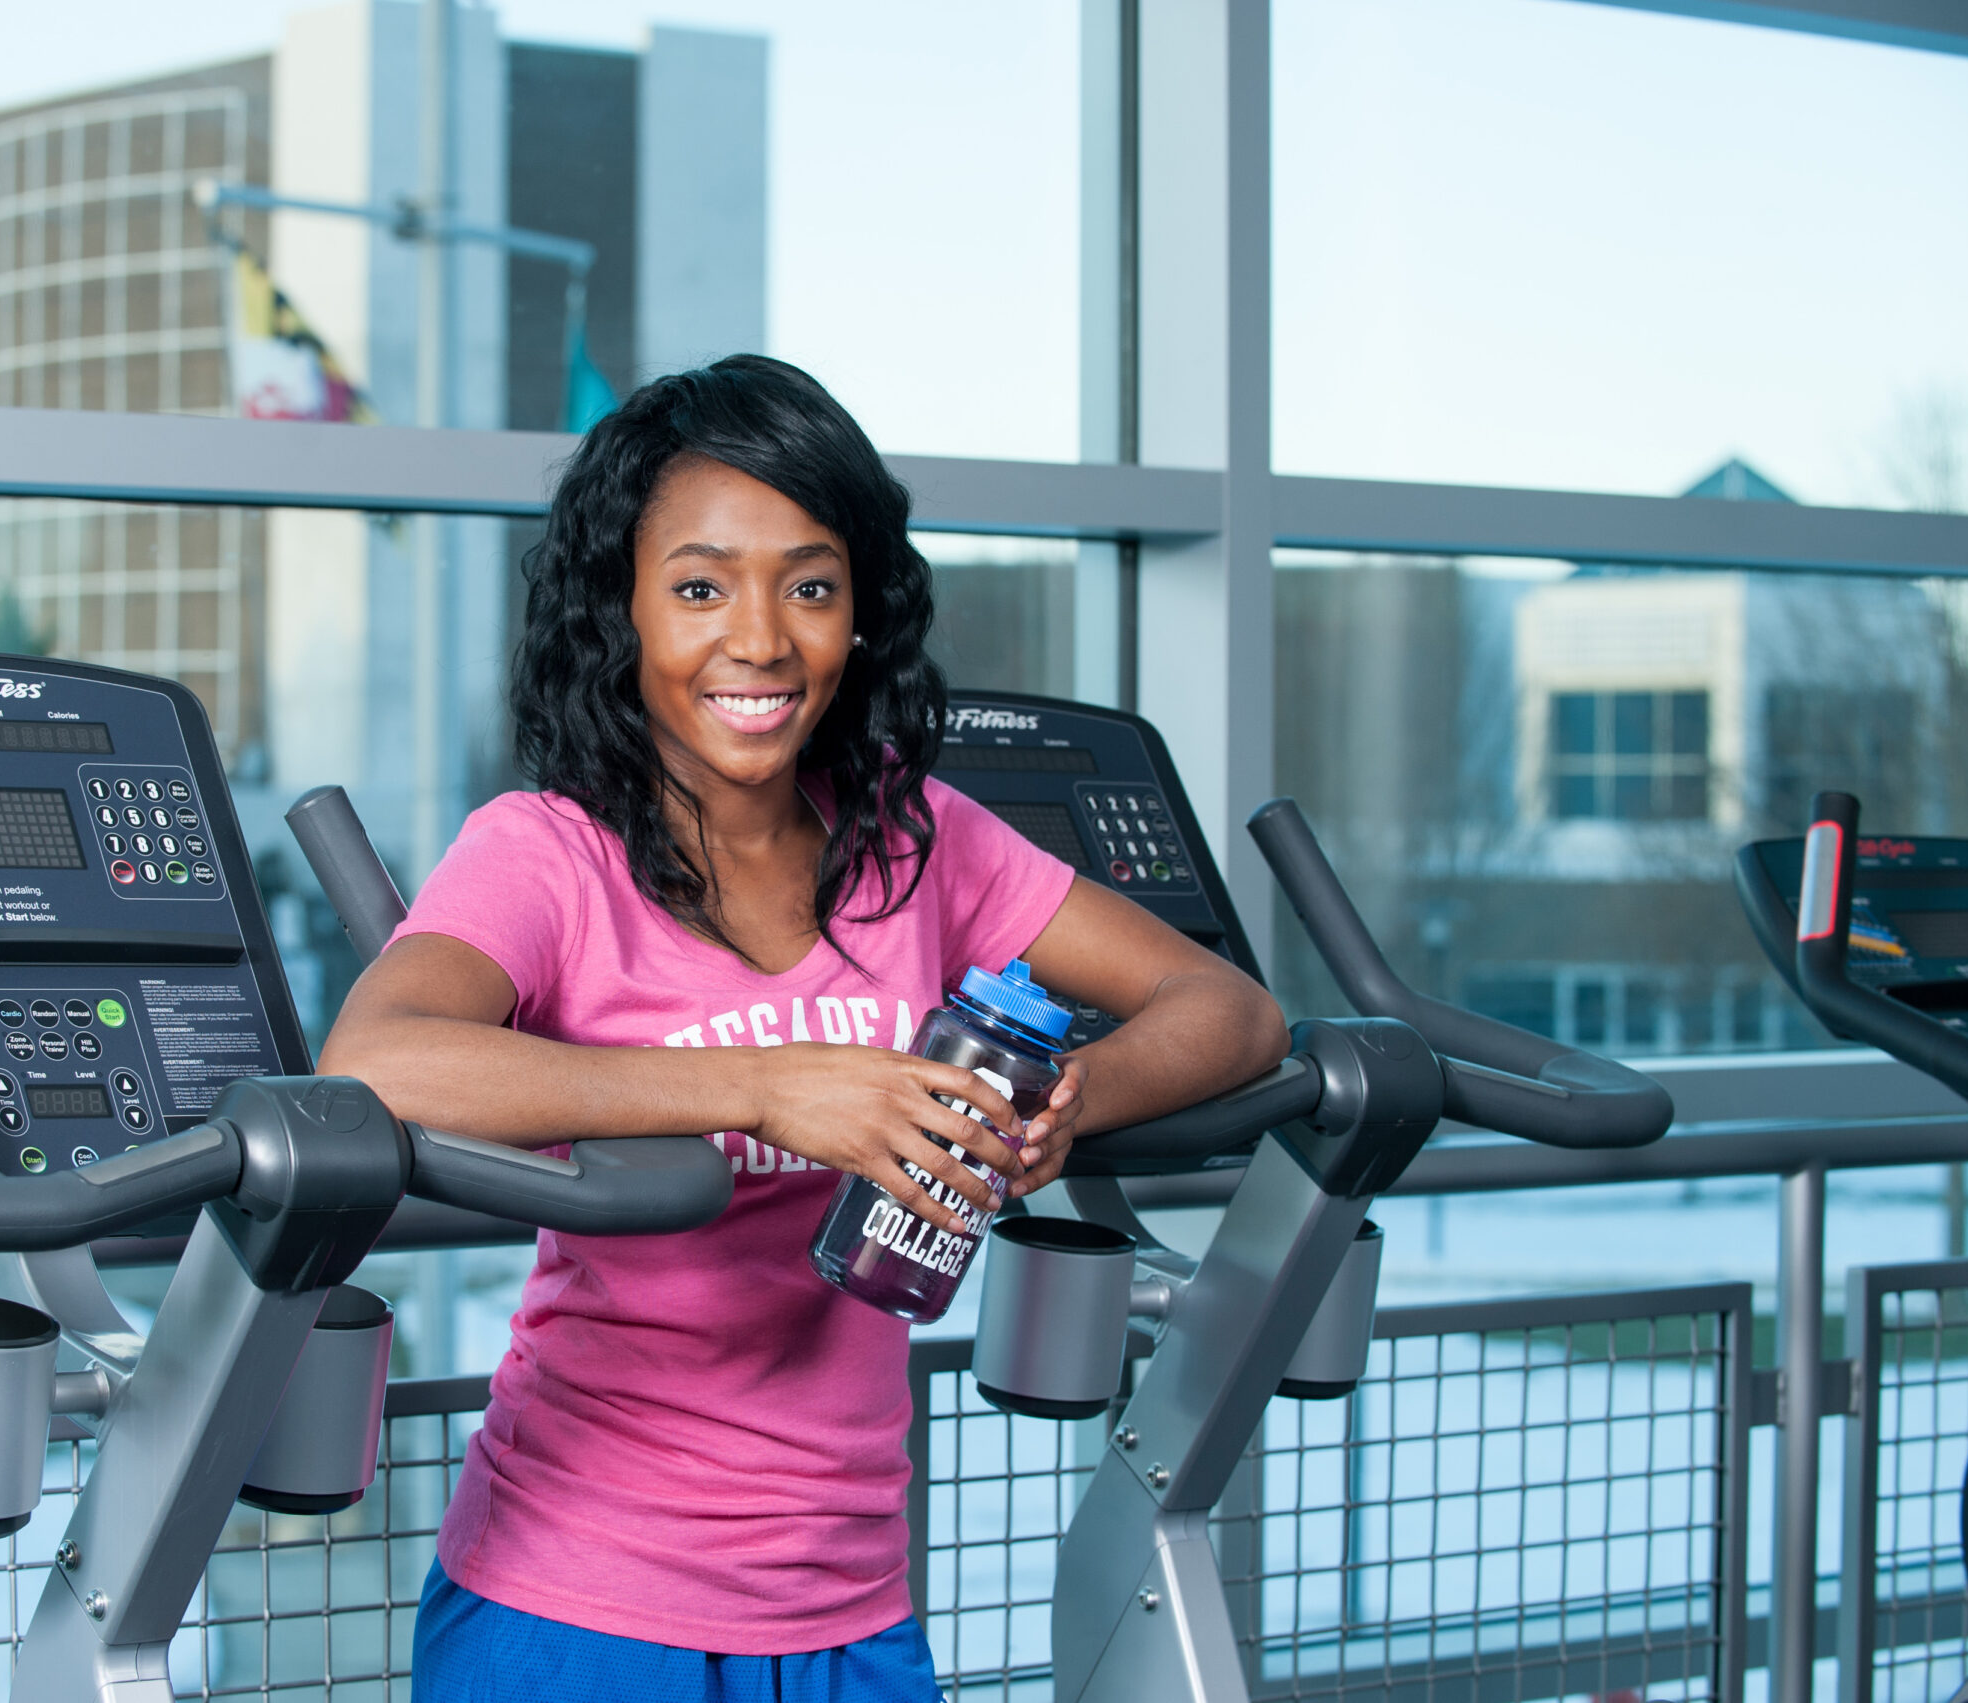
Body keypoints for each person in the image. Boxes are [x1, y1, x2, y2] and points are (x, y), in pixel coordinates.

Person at [317, 355, 1290, 1701]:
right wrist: (769, 1088)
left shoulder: (915, 836)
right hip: (574, 1599)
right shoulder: (549, 851)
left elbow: (1230, 1011)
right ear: (624, 612)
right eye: (701, 586)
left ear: (861, 612)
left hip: (850, 1604)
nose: (763, 639)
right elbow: (378, 1058)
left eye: (811, 585)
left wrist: (1064, 1101)